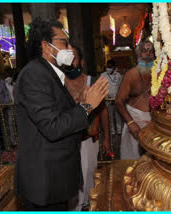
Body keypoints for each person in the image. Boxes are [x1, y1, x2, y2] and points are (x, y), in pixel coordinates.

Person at [14, 17, 109, 211]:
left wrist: (81, 103)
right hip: (44, 181)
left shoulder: (49, 73)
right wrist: (87, 106)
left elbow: (58, 115)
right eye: (64, 42)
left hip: (55, 178)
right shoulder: (34, 74)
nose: (69, 47)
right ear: (46, 46)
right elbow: (53, 127)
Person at [64, 46, 111, 211]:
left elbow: (103, 111)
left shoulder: (93, 82)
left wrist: (107, 139)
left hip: (89, 139)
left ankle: (89, 207)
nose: (71, 62)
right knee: (72, 178)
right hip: (68, 141)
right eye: (68, 58)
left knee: (90, 176)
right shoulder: (59, 82)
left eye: (74, 58)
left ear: (81, 61)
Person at [115, 40, 154, 159]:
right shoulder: (131, 75)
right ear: (138, 55)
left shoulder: (159, 73)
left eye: (151, 51)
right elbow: (118, 101)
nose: (148, 54)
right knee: (133, 164)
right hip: (134, 121)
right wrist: (131, 123)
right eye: (144, 51)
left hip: (153, 124)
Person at [101, 59, 123, 159]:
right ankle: (112, 131)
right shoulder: (103, 75)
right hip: (107, 99)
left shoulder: (118, 76)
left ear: (114, 67)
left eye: (110, 66)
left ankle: (119, 130)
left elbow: (121, 86)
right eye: (107, 66)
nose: (109, 68)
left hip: (117, 99)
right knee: (109, 115)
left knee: (118, 115)